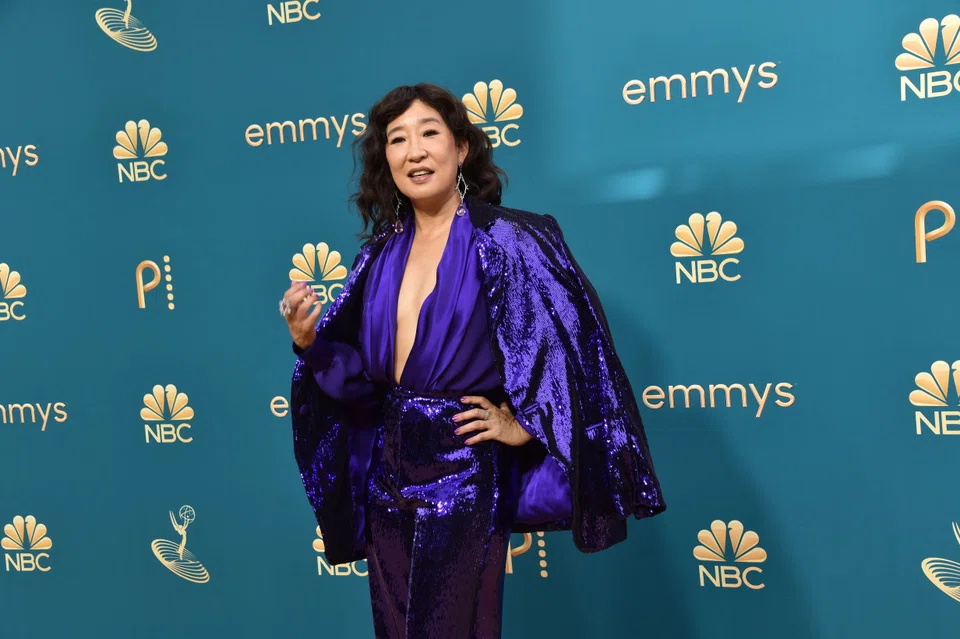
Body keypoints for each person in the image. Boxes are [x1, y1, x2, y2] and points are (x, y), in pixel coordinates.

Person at [280, 83, 666, 639]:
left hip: (462, 473)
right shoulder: (378, 256)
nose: (414, 151)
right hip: (388, 478)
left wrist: (523, 424)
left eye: (429, 133)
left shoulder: (511, 239)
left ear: (461, 148)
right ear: (384, 159)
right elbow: (363, 389)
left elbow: (574, 353)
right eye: (397, 139)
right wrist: (310, 343)